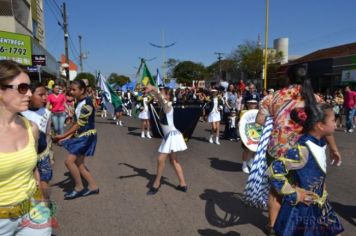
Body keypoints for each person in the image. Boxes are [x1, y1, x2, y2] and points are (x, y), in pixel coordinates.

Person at [256, 67, 341, 235]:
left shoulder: (272, 97)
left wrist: (277, 121)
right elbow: (324, 125)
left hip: (278, 149)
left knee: (276, 189)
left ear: (288, 78)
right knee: (309, 187)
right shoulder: (315, 98)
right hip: (307, 149)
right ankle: (305, 225)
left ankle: (273, 226)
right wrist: (333, 148)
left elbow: (259, 121)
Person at [268, 103, 344, 235]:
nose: (336, 124)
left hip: (320, 203)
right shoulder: (303, 149)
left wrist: (322, 185)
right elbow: (274, 172)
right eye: (333, 120)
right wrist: (293, 193)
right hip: (303, 209)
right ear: (320, 125)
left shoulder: (319, 143)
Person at [0, 60, 52, 235]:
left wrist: (41, 200)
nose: (30, 93)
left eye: (29, 87)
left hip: (33, 210)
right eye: (22, 88)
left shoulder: (32, 128)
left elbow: (33, 168)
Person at [53, 80, 99, 200]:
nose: (71, 92)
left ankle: (79, 187)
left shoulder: (87, 104)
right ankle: (93, 187)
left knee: (69, 162)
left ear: (82, 90)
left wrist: (62, 136)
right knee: (79, 164)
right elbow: (76, 124)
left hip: (86, 136)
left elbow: (79, 124)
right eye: (71, 89)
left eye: (74, 90)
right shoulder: (78, 102)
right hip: (82, 135)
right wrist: (66, 138)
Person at [144, 85, 188, 195]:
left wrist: (154, 89)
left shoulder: (168, 106)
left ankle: (156, 183)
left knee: (160, 159)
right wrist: (151, 91)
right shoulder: (164, 105)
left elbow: (160, 99)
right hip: (169, 136)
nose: (161, 95)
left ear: (168, 96)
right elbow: (158, 98)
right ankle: (183, 184)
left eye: (163, 93)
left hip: (172, 136)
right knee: (173, 161)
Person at [21, 82, 53, 199]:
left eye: (46, 94)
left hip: (42, 155)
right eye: (41, 94)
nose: (45, 98)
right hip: (27, 158)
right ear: (30, 95)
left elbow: (48, 134)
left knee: (44, 186)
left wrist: (50, 154)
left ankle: (47, 208)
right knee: (32, 187)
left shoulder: (47, 113)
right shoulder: (21, 114)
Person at [239, 100, 259, 173]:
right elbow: (241, 121)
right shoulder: (243, 112)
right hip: (247, 133)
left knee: (257, 149)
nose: (253, 105)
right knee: (246, 149)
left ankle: (251, 161)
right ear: (248, 104)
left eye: (254, 103)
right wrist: (239, 124)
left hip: (256, 132)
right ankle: (244, 165)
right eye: (251, 103)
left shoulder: (258, 112)